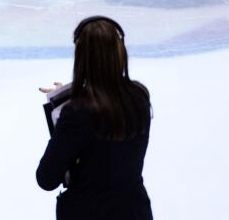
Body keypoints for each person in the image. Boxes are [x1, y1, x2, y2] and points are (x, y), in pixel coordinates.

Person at [36, 16, 152, 220]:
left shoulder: (77, 112)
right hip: (135, 211)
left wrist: (65, 106)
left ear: (82, 58)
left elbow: (47, 178)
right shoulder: (139, 98)